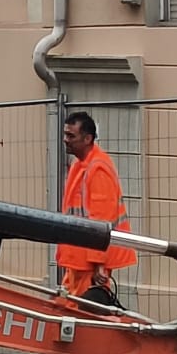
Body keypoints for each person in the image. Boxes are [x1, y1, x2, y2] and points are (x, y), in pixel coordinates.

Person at [57, 112, 134, 304]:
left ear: (87, 138)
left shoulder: (97, 168)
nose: (66, 140)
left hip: (88, 261)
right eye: (65, 134)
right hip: (79, 257)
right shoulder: (81, 164)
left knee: (83, 313)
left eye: (71, 136)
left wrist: (99, 264)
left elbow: (101, 220)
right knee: (70, 308)